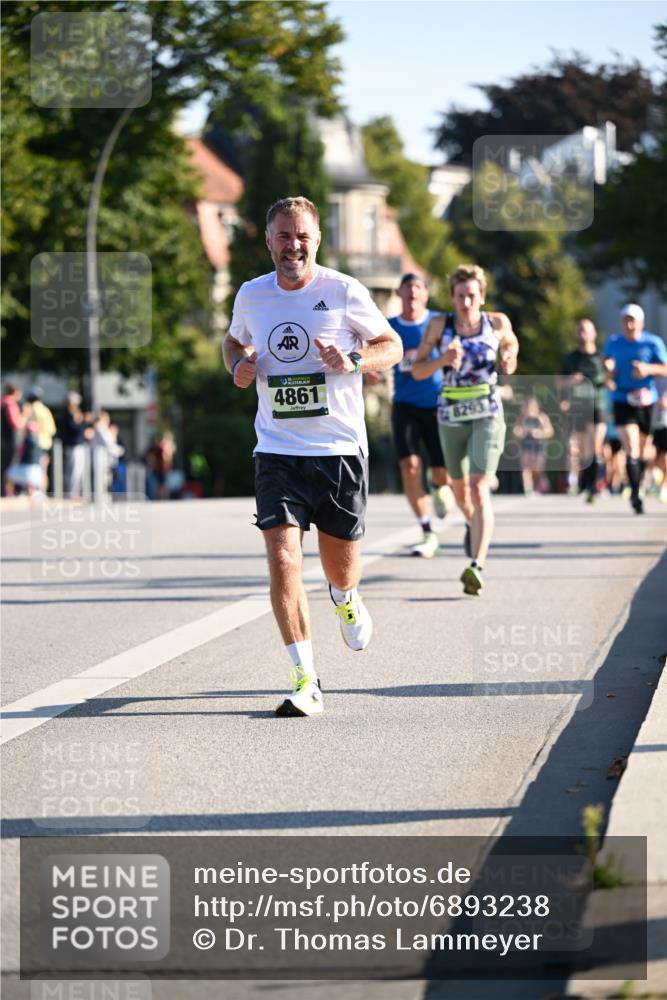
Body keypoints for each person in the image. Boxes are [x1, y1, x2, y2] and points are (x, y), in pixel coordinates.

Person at [223, 195, 402, 717]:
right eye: (283, 235)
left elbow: (390, 345)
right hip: (276, 449)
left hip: (338, 450)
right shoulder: (253, 296)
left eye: (302, 235)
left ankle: (345, 598)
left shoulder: (344, 291)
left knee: (340, 567)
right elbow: (233, 344)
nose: (293, 245)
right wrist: (237, 366)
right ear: (268, 240)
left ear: (316, 240)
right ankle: (306, 679)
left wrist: (354, 358)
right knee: (283, 561)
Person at [412, 264, 518, 596]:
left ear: (482, 296)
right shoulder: (438, 325)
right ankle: (474, 525)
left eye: (472, 296)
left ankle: (477, 565)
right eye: (460, 296)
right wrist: (442, 359)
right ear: (453, 297)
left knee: (478, 486)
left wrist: (508, 360)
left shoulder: (496, 322)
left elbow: (511, 350)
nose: (467, 302)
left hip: (487, 411)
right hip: (451, 414)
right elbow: (417, 370)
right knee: (460, 493)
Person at [388, 273, 452, 558]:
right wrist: (374, 373)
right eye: (407, 287)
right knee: (410, 466)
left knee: (442, 471)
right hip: (404, 405)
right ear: (398, 293)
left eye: (418, 287)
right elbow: (378, 356)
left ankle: (440, 485)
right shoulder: (389, 327)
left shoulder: (438, 322)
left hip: (438, 404)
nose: (412, 292)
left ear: (426, 294)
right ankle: (427, 531)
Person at [603, 303, 667, 514]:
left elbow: (665, 369)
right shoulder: (614, 342)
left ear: (641, 322)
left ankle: (638, 484)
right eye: (625, 320)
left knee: (642, 450)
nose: (629, 324)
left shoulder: (653, 342)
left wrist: (648, 369)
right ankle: (635, 493)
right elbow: (605, 366)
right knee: (631, 446)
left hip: (647, 402)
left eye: (633, 320)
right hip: (622, 398)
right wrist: (608, 372)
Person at [559, 319, 607, 503]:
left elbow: (610, 380)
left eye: (586, 330)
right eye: (579, 330)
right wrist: (570, 383)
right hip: (578, 407)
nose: (582, 333)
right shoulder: (570, 359)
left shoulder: (602, 358)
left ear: (594, 333)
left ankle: (593, 485)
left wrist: (610, 373)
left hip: (597, 406)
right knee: (580, 449)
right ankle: (583, 484)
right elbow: (559, 382)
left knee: (595, 446)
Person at [513, 396, 554, 495]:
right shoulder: (521, 418)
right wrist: (521, 432)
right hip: (526, 444)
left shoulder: (542, 417)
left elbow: (550, 431)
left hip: (539, 445)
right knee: (526, 468)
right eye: (526, 407)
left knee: (537, 468)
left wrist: (540, 433)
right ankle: (528, 489)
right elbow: (515, 432)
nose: (528, 409)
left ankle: (539, 483)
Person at [27, 386, 57, 494]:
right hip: (46, 443)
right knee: (43, 470)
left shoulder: (31, 408)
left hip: (35, 443)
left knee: (34, 469)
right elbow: (52, 430)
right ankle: (42, 493)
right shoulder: (46, 410)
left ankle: (34, 492)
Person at [1, 383, 24, 496]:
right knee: (11, 467)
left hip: (3, 440)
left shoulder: (2, 403)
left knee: (5, 465)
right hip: (10, 441)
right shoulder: (10, 404)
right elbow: (16, 424)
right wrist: (25, 415)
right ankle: (7, 492)